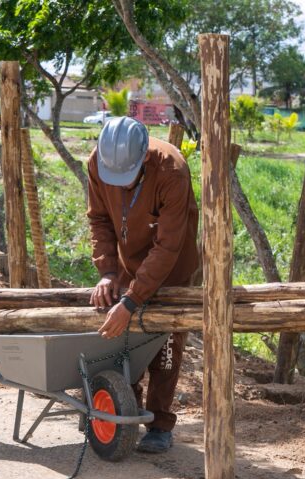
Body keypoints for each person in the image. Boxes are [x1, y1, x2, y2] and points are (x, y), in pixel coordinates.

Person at [87, 116, 199, 454]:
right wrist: (107, 272)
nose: (120, 186)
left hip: (173, 270)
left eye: (128, 178)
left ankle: (160, 424)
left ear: (144, 158)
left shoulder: (172, 172)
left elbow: (167, 246)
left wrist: (133, 300)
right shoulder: (98, 162)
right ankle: (126, 411)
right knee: (123, 341)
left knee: (164, 344)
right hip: (126, 265)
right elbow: (99, 219)